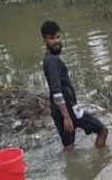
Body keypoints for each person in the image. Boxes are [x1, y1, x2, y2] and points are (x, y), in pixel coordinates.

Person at [40, 20, 108, 150]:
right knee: (103, 130)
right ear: (44, 40)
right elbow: (56, 91)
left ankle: (72, 169)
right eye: (51, 38)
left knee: (69, 148)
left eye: (57, 37)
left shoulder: (47, 58)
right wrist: (66, 116)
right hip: (69, 111)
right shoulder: (54, 61)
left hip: (57, 111)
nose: (56, 41)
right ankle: (102, 164)